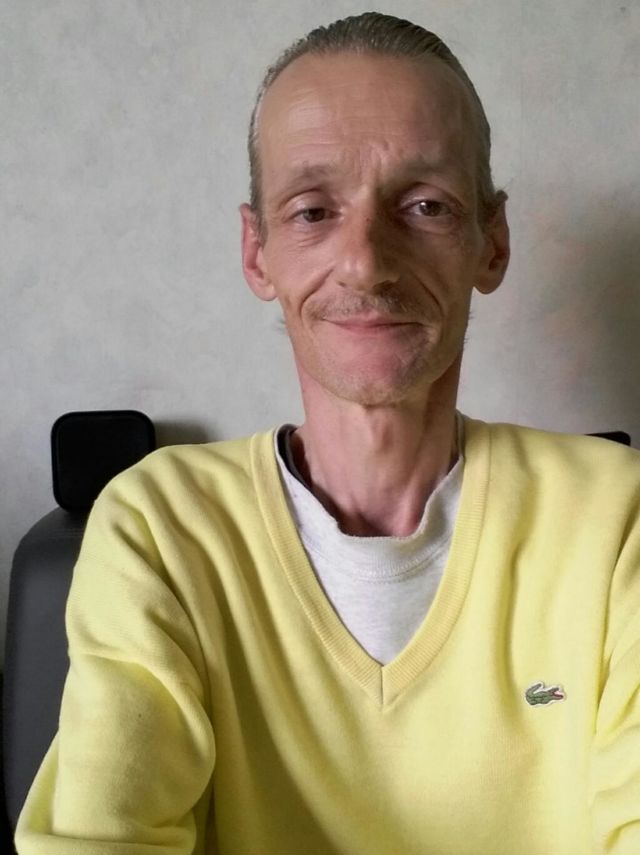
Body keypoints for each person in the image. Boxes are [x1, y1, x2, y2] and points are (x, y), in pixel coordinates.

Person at [15, 12, 640, 855]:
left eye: (425, 206)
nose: (366, 262)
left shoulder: (615, 519)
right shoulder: (160, 528)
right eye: (313, 211)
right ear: (257, 252)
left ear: (491, 243)